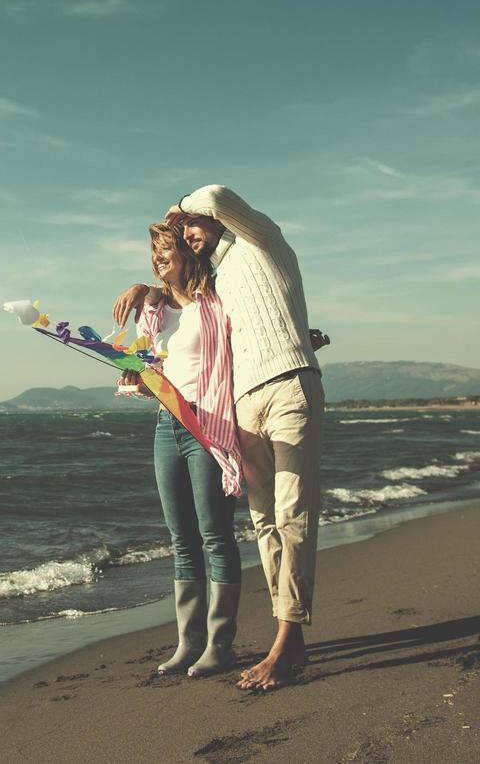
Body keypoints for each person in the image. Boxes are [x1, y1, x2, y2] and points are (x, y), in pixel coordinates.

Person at [114, 185, 326, 692]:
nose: (167, 255)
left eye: (179, 242)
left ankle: (246, 640)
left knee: (275, 519)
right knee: (241, 525)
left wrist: (177, 212)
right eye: (160, 251)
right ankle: (198, 640)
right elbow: (155, 363)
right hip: (202, 415)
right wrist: (133, 362)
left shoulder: (254, 247)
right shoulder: (167, 304)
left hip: (224, 418)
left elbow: (216, 198)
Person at [118, 222, 244, 678]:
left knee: (215, 535)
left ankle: (220, 644)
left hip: (208, 423)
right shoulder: (152, 310)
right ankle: (187, 643)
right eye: (153, 253)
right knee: (180, 539)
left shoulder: (217, 300)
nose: (157, 259)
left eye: (165, 249)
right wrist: (138, 376)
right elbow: (151, 367)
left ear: (188, 254)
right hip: (166, 425)